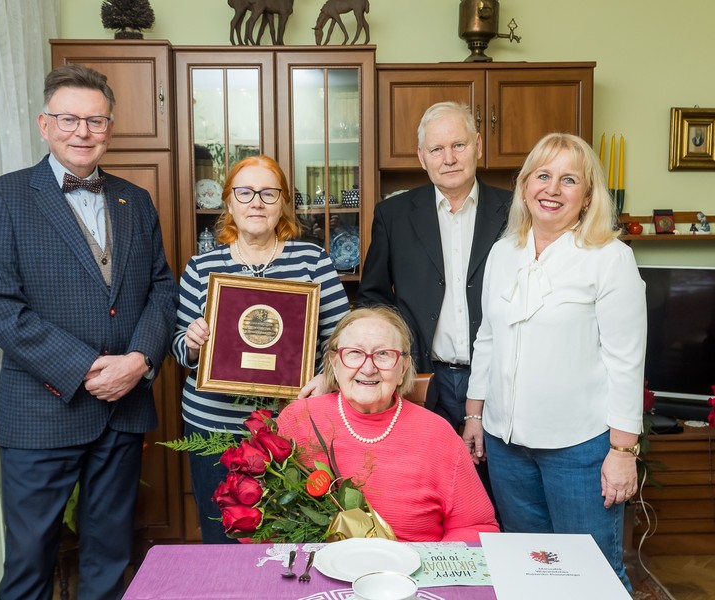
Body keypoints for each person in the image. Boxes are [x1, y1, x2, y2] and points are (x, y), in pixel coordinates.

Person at [0, 64, 178, 600]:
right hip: (43, 413)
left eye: (95, 120)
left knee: (110, 559)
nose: (82, 131)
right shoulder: (1, 198)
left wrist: (138, 362)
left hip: (124, 410)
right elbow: (0, 309)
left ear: (110, 127)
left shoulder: (137, 199)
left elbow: (161, 289)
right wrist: (87, 368)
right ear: (45, 124)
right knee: (30, 565)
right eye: (69, 119)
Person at [462, 132, 646, 590]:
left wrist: (623, 452)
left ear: (586, 197)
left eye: (569, 180)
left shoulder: (610, 259)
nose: (552, 189)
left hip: (579, 449)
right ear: (525, 185)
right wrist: (474, 415)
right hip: (507, 447)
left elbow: (626, 362)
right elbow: (487, 337)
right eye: (543, 176)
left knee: (594, 575)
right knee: (531, 571)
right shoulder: (504, 252)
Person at [172, 155, 349, 543]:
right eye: (245, 192)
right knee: (222, 535)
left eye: (268, 193)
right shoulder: (201, 267)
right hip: (213, 428)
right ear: (229, 202)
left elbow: (342, 340)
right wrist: (192, 341)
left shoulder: (312, 261)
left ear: (283, 202)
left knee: (290, 537)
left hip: (290, 430)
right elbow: (178, 350)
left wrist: (325, 377)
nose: (256, 202)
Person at [356, 101, 510, 508]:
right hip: (424, 376)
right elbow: (371, 294)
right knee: (429, 492)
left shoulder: (516, 211)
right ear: (422, 157)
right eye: (437, 149)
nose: (449, 158)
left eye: (458, 145)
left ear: (478, 145)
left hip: (500, 377)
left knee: (500, 495)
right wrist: (401, 347)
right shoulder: (392, 214)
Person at [277, 306, 499, 541]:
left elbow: (474, 527)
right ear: (334, 361)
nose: (369, 368)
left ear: (403, 368)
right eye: (354, 353)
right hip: (313, 571)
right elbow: (260, 519)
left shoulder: (437, 434)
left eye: (383, 354)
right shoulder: (297, 420)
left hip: (411, 573)